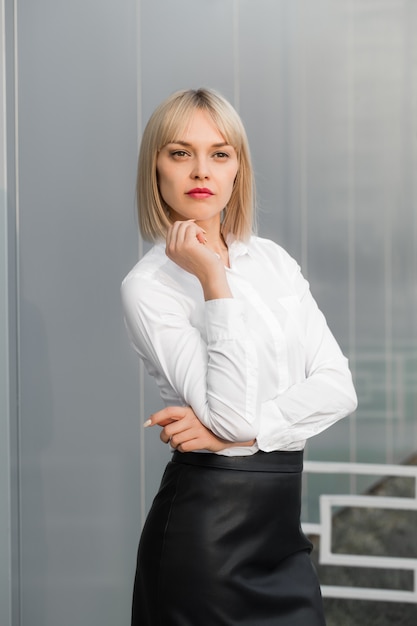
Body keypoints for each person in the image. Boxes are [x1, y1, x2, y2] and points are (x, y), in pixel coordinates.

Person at [121, 87, 357, 626]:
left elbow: (338, 387)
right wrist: (212, 280)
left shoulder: (272, 261)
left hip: (281, 531)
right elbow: (228, 414)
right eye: (180, 153)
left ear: (237, 169)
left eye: (219, 153)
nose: (201, 169)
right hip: (205, 539)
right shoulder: (148, 287)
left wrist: (248, 434)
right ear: (155, 169)